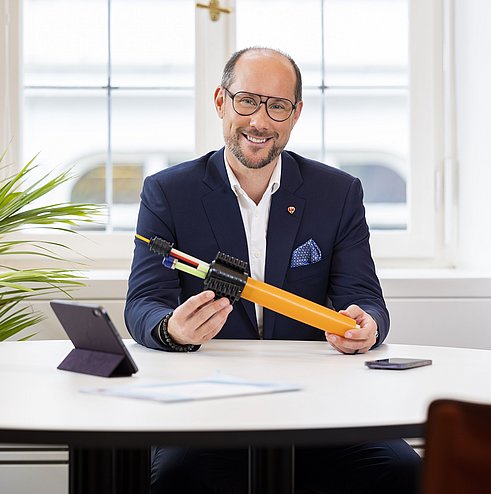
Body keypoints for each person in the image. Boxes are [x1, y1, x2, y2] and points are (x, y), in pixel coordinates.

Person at [124, 47, 420, 493]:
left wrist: (367, 323)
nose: (260, 121)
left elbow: (365, 296)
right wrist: (172, 330)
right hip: (205, 406)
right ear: (221, 101)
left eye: (277, 106)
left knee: (402, 472)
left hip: (320, 407)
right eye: (247, 101)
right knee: (175, 478)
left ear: (295, 114)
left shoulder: (337, 193)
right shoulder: (168, 191)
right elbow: (143, 303)